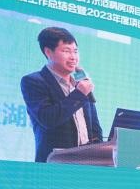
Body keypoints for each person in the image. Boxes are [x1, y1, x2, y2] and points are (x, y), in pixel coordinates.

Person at [20, 27, 103, 162]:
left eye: (75, 51)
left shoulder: (80, 83)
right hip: (54, 165)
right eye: (66, 51)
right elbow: (48, 119)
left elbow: (94, 129)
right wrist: (79, 94)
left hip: (86, 164)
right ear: (48, 52)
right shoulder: (34, 81)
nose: (73, 57)